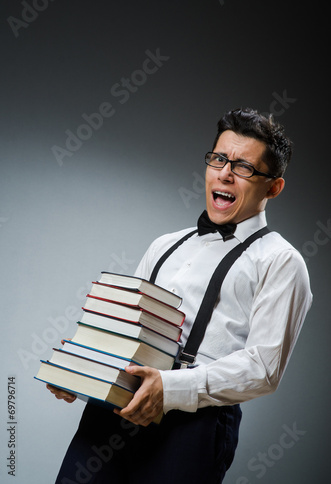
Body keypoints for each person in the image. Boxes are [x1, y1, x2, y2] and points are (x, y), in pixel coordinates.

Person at [47, 107, 312, 484]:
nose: (224, 173)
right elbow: (127, 329)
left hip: (195, 426)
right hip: (116, 407)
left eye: (244, 167)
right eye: (219, 159)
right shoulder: (165, 245)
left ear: (273, 187)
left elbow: (264, 370)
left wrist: (170, 388)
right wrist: (82, 367)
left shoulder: (282, 262)